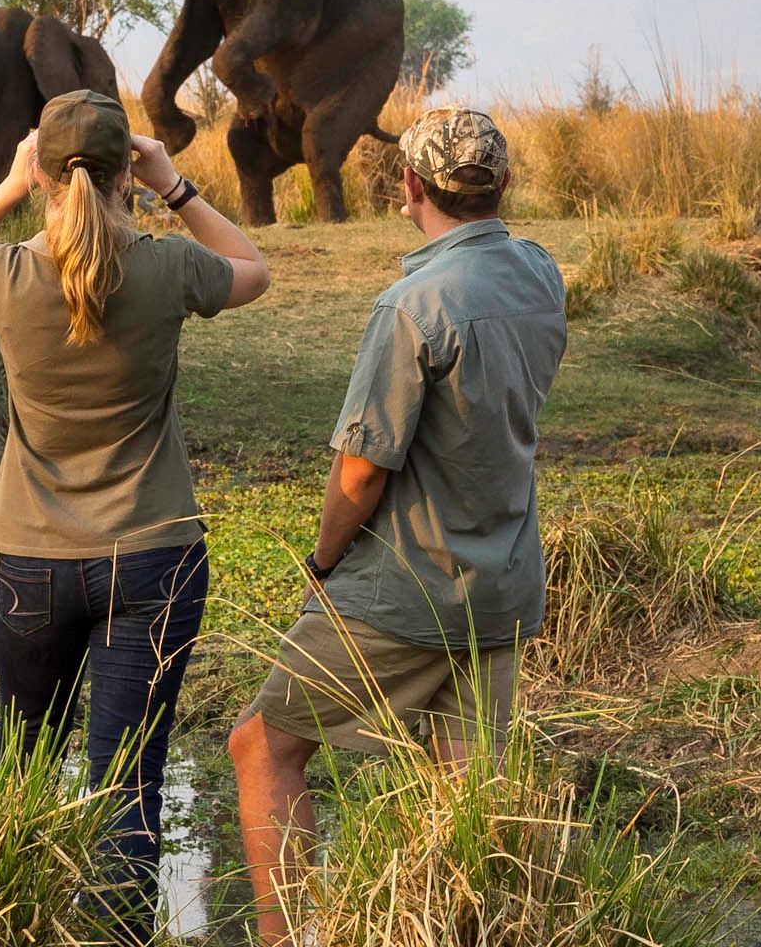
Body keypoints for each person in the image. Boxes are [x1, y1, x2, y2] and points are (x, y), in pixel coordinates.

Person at [0, 90, 269, 942]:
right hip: (155, 557)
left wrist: (5, 190)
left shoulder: (2, 275)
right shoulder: (169, 268)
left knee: (26, 764)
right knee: (128, 778)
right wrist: (176, 186)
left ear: (42, 172)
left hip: (31, 562)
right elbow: (254, 270)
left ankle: (12, 921)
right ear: (124, 175)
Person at [227, 107, 566, 947]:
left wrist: (324, 557)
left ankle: (284, 940)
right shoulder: (541, 274)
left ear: (409, 186)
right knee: (467, 799)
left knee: (260, 749)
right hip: (503, 584)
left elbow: (361, 470)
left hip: (406, 587)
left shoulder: (413, 304)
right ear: (504, 185)